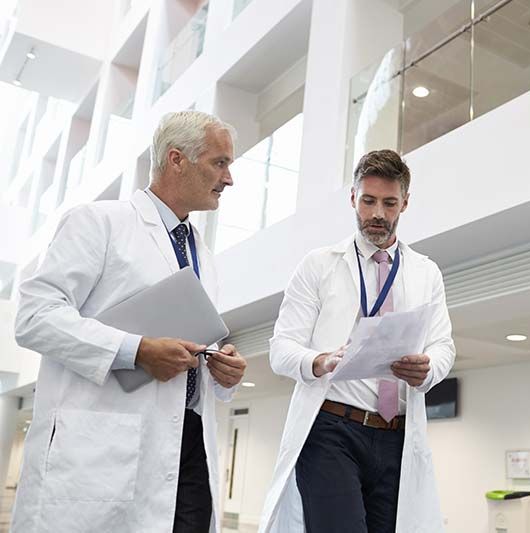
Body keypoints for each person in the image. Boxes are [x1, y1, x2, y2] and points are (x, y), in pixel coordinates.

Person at [12, 111, 247, 533]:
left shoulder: (203, 256)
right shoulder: (99, 222)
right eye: (219, 162)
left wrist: (222, 372)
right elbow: (35, 314)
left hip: (188, 446)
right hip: (106, 446)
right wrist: (135, 350)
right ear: (177, 159)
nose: (229, 179)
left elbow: (191, 345)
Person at [259, 149, 456, 532]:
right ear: (353, 198)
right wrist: (321, 361)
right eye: (368, 201)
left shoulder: (425, 272)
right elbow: (281, 349)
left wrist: (428, 369)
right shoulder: (319, 265)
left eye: (389, 202)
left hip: (396, 435)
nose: (378, 213)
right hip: (332, 430)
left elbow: (443, 345)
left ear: (405, 203)